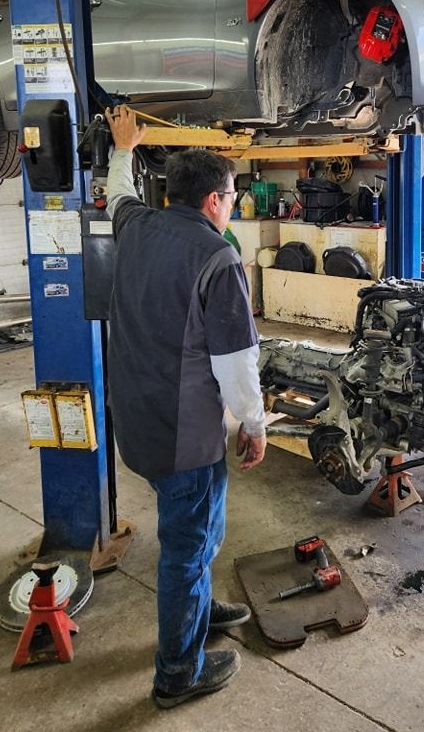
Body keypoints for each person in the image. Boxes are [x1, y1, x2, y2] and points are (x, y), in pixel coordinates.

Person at [104, 105, 267, 710]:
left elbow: (118, 192)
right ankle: (177, 674)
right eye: (231, 195)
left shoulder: (136, 226)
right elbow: (236, 362)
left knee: (201, 527)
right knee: (185, 548)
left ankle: (201, 608)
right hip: (184, 436)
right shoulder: (218, 257)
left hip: (139, 420)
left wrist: (125, 147)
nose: (231, 205)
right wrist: (255, 425)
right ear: (213, 202)